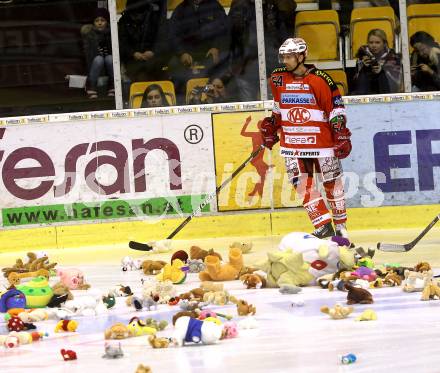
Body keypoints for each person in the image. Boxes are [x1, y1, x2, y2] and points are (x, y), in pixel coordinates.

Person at [259, 38, 352, 239]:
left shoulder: (320, 79)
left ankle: (341, 227)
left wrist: (340, 133)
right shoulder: (277, 78)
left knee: (332, 183)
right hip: (292, 142)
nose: (285, 60)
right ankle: (323, 224)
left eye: (290, 57)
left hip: (322, 143)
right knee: (301, 183)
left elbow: (335, 108)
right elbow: (279, 106)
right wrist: (272, 126)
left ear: (302, 56)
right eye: (283, 56)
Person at [228, 0, 296, 101]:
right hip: (246, 69)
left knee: (277, 107)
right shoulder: (240, 5)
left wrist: (273, 73)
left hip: (273, 66)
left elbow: (283, 38)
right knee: (249, 109)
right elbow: (232, 37)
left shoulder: (275, 6)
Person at [168, 0, 229, 103]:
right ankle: (182, 101)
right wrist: (182, 53)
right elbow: (173, 35)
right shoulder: (180, 9)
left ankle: (219, 99)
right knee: (173, 64)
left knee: (225, 60)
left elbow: (224, 29)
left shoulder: (215, 5)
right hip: (188, 54)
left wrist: (216, 47)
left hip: (210, 52)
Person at [118, 0, 168, 83]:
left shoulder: (154, 17)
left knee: (164, 76)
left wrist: (153, 51)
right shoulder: (124, 21)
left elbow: (162, 39)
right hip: (133, 60)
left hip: (153, 58)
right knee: (142, 79)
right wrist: (133, 54)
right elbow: (122, 43)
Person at [352, 29, 402, 94]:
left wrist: (382, 69)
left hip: (387, 91)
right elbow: (355, 80)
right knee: (364, 72)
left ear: (384, 43)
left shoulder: (392, 57)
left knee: (382, 74)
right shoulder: (362, 56)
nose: (374, 45)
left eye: (377, 42)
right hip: (366, 90)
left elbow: (396, 80)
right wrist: (364, 67)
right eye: (371, 42)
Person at [81, 8, 114, 99]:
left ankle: (112, 84)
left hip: (108, 67)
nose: (99, 23)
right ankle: (91, 85)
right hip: (94, 66)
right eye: (97, 21)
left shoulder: (111, 33)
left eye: (102, 20)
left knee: (110, 58)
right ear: (93, 23)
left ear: (107, 22)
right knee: (99, 59)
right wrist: (97, 39)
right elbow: (88, 55)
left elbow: (115, 51)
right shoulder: (89, 34)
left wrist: (106, 38)